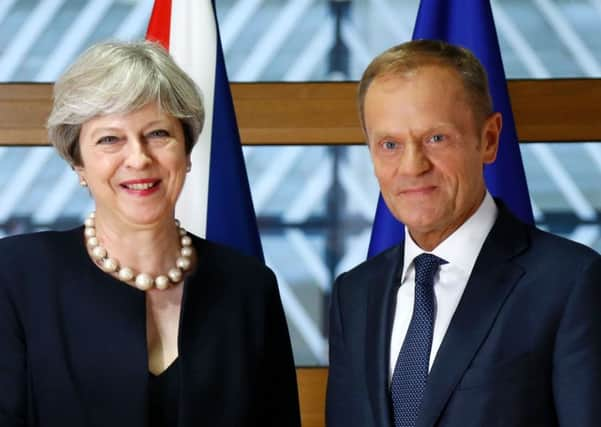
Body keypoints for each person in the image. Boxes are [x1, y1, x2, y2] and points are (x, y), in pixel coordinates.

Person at [0, 40, 300, 427]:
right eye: (110, 139)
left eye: (158, 134)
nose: (139, 158)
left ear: (187, 153)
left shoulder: (249, 288)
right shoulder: (16, 276)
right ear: (78, 162)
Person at [326, 39, 601, 427]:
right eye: (390, 144)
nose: (412, 166)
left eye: (435, 138)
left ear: (488, 140)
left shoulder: (570, 282)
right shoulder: (353, 294)